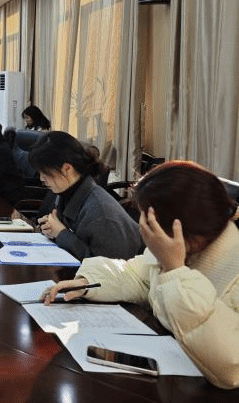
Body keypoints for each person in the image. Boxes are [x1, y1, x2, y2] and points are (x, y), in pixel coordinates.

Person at [44, 161, 239, 390]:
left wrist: (175, 270)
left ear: (178, 225)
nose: (144, 227)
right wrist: (88, 282)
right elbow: (139, 275)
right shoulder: (185, 245)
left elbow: (231, 366)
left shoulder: (230, 266)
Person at [28, 131, 141, 260]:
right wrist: (51, 228)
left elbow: (105, 266)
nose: (42, 179)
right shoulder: (66, 192)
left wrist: (60, 233)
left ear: (67, 169)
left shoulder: (101, 213)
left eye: (45, 172)